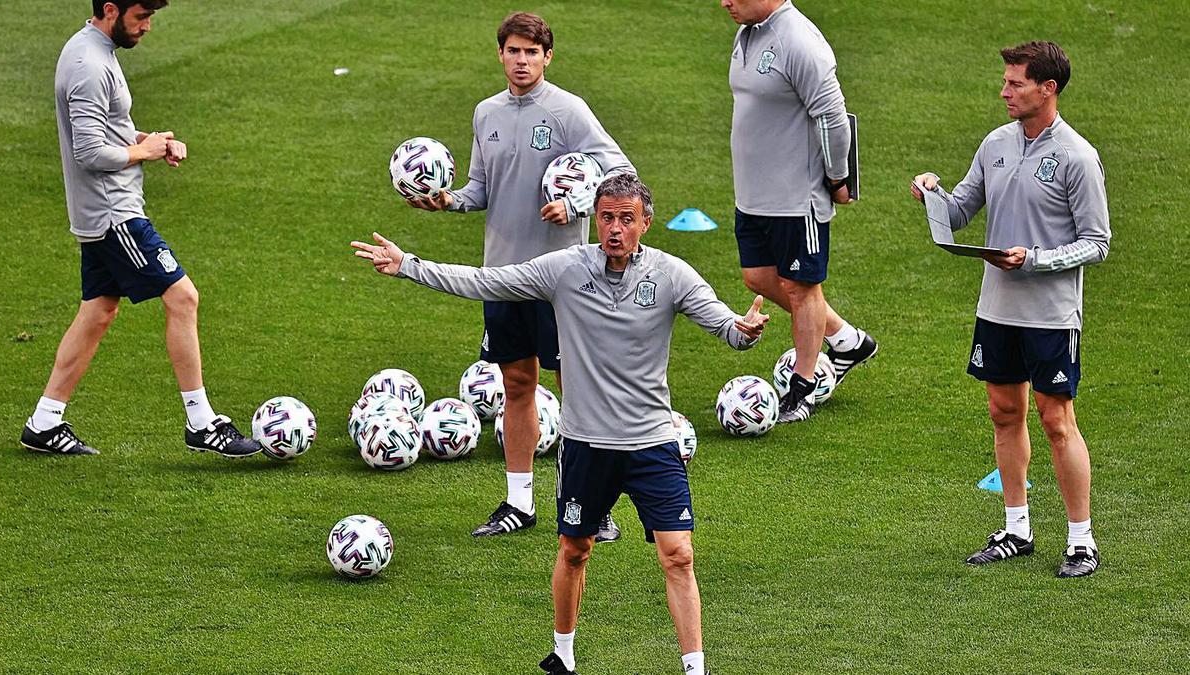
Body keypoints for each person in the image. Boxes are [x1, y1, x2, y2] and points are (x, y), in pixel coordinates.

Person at [353, 174, 764, 675]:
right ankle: (563, 655)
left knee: (678, 555)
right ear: (596, 219)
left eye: (626, 219)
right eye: (607, 217)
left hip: (653, 443)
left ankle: (695, 668)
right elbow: (488, 282)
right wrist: (408, 267)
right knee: (575, 550)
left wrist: (744, 333)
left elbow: (726, 326)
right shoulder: (565, 270)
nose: (615, 229)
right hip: (587, 445)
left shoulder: (672, 274)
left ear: (646, 224)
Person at [408, 12, 635, 541]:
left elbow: (622, 174)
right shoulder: (485, 113)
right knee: (516, 384)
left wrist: (577, 204)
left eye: (532, 53)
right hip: (502, 276)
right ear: (500, 54)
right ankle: (519, 502)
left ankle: (591, 504)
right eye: (513, 51)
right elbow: (481, 188)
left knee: (574, 391)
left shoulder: (568, 111)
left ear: (547, 57)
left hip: (561, 281)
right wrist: (447, 202)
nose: (522, 61)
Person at [20, 0, 260, 458]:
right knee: (183, 296)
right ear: (111, 9)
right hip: (115, 216)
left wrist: (150, 141)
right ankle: (201, 422)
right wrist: (144, 153)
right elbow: (90, 152)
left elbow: (107, 132)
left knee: (98, 311)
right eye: (140, 16)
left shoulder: (93, 49)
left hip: (104, 212)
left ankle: (44, 422)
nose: (147, 26)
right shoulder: (89, 64)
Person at [911, 41, 1110, 578]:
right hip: (996, 309)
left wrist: (1035, 259)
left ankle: (1080, 540)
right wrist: (932, 193)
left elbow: (1097, 242)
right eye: (1005, 82)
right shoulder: (995, 144)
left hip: (1050, 313)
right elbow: (958, 213)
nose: (1004, 91)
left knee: (1056, 421)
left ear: (1048, 89)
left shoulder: (1076, 157)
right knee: (1004, 413)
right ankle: (1017, 529)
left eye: (1015, 83)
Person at [722, 0, 878, 423]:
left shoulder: (801, 42)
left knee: (800, 287)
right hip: (753, 195)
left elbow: (831, 117)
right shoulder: (748, 33)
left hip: (796, 197)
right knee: (758, 278)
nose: (724, 3)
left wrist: (837, 177)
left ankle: (803, 387)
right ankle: (848, 340)